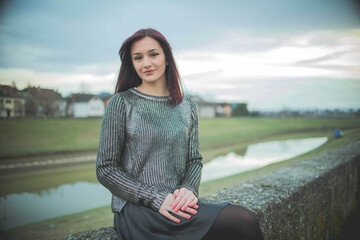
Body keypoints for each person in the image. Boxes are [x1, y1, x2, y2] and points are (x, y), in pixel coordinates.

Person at [96, 28, 264, 240]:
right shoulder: (122, 103)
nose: (146, 63)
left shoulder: (187, 105)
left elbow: (194, 159)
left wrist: (189, 188)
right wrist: (155, 198)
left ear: (167, 58)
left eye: (153, 54)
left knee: (243, 220)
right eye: (138, 58)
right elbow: (106, 168)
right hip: (137, 208)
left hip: (177, 205)